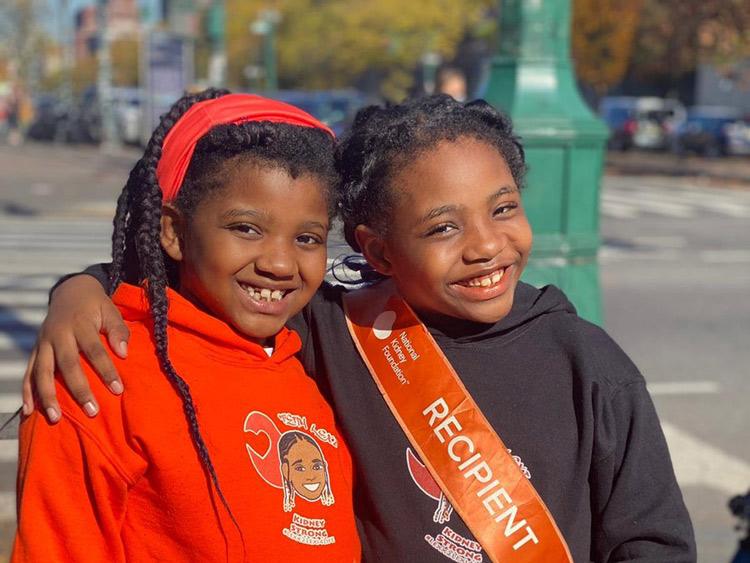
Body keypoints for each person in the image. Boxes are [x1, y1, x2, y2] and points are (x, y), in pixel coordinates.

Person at [25, 95, 696, 562]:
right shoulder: (337, 330)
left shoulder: (589, 364)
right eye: (442, 227)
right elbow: (196, 269)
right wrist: (82, 289)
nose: (486, 245)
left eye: (502, 209)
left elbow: (652, 537)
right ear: (376, 251)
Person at [13, 89, 361, 562]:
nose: (281, 263)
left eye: (307, 238)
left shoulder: (306, 354)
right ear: (173, 232)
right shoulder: (98, 370)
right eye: (246, 228)